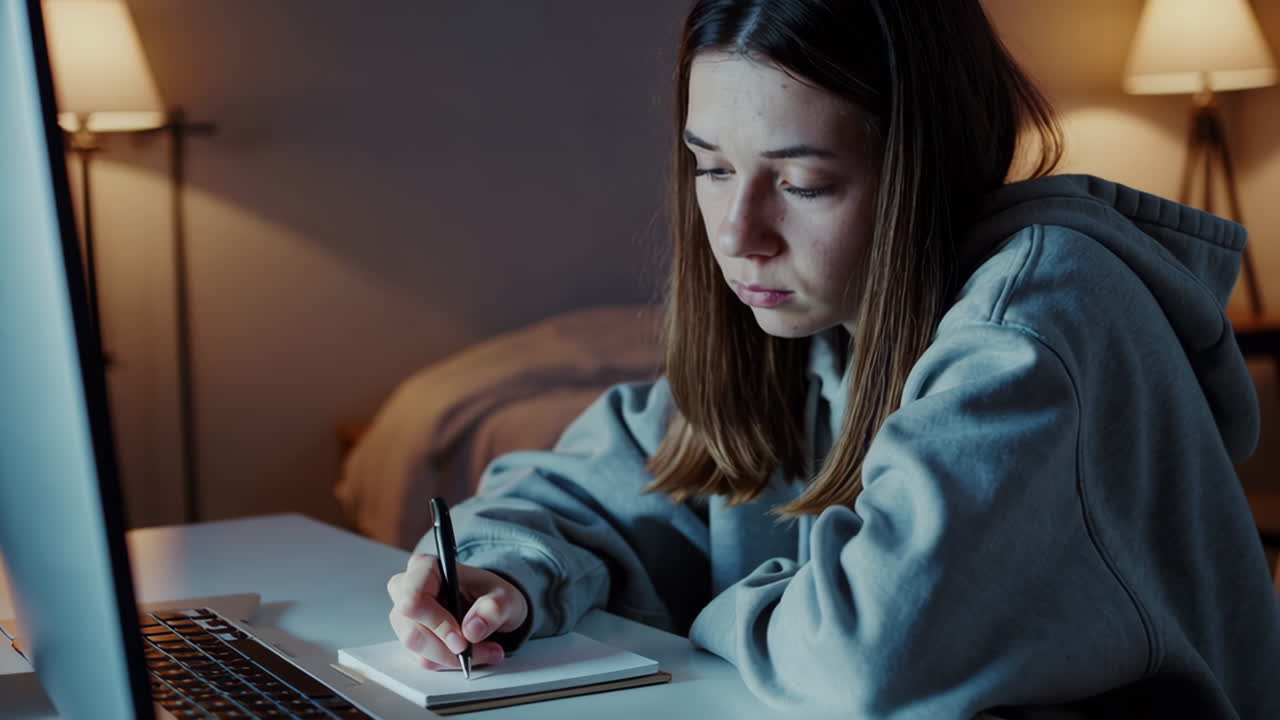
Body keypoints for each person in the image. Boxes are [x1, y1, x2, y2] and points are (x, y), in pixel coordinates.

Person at [385, 0, 1280, 716]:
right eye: (712, 168)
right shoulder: (810, 324)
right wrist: (503, 569)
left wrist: (706, 607)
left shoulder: (1040, 321)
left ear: (924, 166)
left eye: (804, 183)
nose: (738, 236)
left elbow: (872, 657)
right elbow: (591, 487)